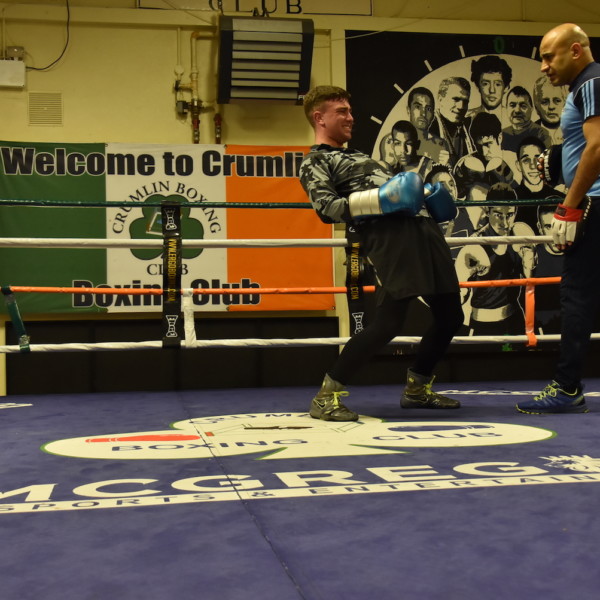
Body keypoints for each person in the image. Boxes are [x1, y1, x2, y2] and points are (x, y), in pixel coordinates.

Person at [299, 85, 463, 421]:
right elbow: (327, 208)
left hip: (424, 231)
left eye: (350, 110)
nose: (350, 117)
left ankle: (417, 390)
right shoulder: (316, 161)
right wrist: (382, 199)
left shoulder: (361, 156)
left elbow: (400, 194)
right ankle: (326, 396)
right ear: (319, 118)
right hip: (391, 239)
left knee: (451, 316)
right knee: (389, 322)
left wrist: (428, 195)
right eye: (341, 112)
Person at [516, 23, 600, 415]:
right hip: (592, 199)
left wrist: (569, 204)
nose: (544, 66)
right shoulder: (586, 85)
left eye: (550, 57)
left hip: (594, 204)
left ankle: (566, 388)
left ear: (576, 50)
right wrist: (559, 161)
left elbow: (597, 148)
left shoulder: (591, 82)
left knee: (577, 294)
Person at [429, 77, 475, 167]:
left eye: (465, 102)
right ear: (440, 99)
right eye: (456, 99)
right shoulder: (428, 129)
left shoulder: (470, 129)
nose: (461, 106)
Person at [405, 87, 450, 164]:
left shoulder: (440, 145)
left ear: (433, 115)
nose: (423, 113)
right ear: (408, 110)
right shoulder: (395, 141)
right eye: (417, 107)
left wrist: (447, 164)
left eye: (428, 109)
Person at [467, 55, 513, 123]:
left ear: (506, 87)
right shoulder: (467, 118)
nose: (492, 90)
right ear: (477, 86)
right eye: (485, 84)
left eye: (498, 84)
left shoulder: (514, 119)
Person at [533, 75, 566, 145]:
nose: (551, 106)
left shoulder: (575, 132)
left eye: (557, 101)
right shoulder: (528, 134)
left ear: (564, 104)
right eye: (545, 102)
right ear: (537, 107)